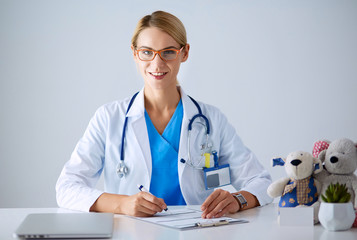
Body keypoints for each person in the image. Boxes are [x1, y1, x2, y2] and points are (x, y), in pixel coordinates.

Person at [56, 10, 272, 218]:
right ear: (135, 53)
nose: (157, 63)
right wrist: (122, 204)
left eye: (168, 52)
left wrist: (238, 200)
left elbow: (261, 182)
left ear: (184, 53)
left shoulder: (211, 119)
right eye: (147, 52)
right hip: (131, 232)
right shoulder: (109, 118)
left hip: (197, 232)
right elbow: (66, 188)